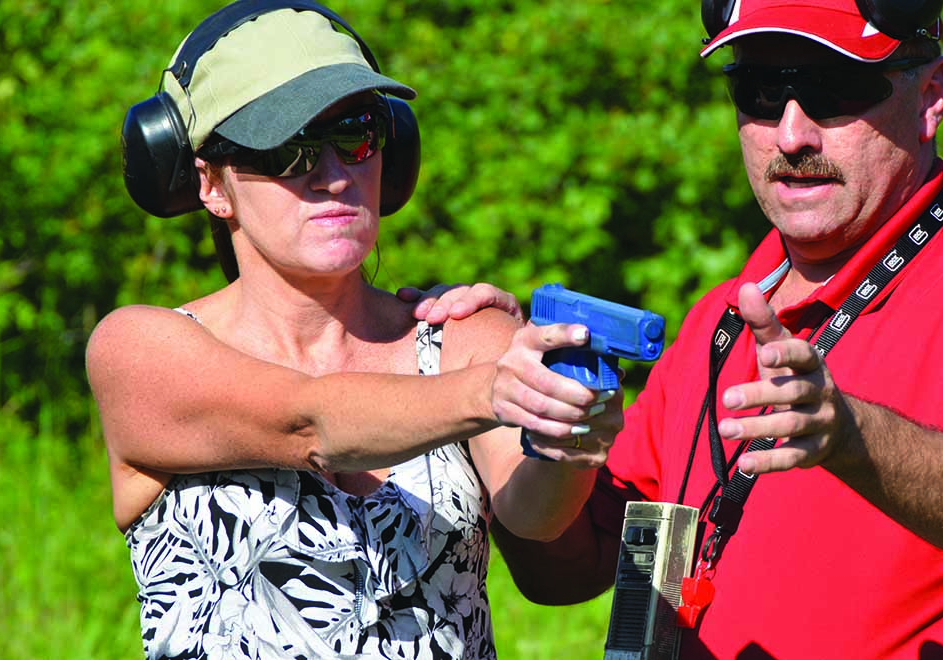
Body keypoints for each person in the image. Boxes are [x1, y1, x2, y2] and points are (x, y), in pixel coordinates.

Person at [85, 2, 623, 659]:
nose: (334, 174)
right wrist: (496, 391)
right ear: (210, 183)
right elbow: (307, 425)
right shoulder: (141, 349)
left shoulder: (462, 337)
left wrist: (570, 430)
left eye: (356, 134)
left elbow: (536, 516)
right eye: (287, 150)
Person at [477, 1, 943, 658]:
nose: (790, 135)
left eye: (832, 91)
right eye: (759, 90)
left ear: (931, 98)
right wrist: (510, 384)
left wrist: (849, 437)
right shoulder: (717, 319)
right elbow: (561, 569)